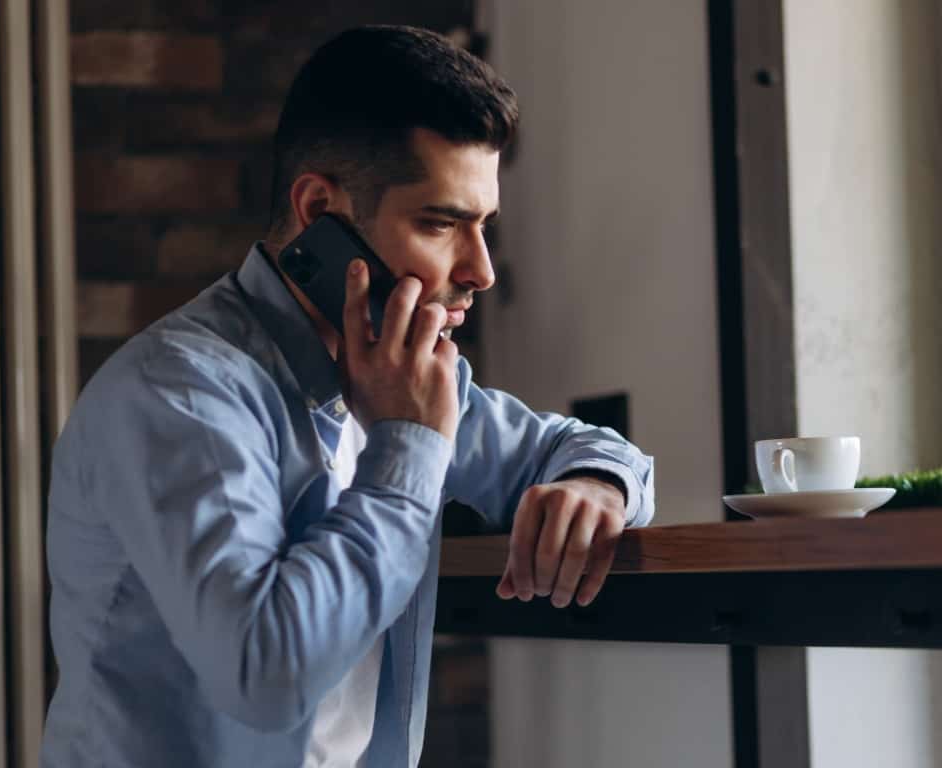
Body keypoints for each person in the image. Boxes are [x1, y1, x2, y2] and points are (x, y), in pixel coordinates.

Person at [41, 25, 654, 768]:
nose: (482, 270)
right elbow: (267, 674)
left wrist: (596, 485)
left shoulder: (400, 370)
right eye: (440, 224)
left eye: (485, 226)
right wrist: (409, 448)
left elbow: (584, 449)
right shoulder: (180, 396)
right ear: (319, 212)